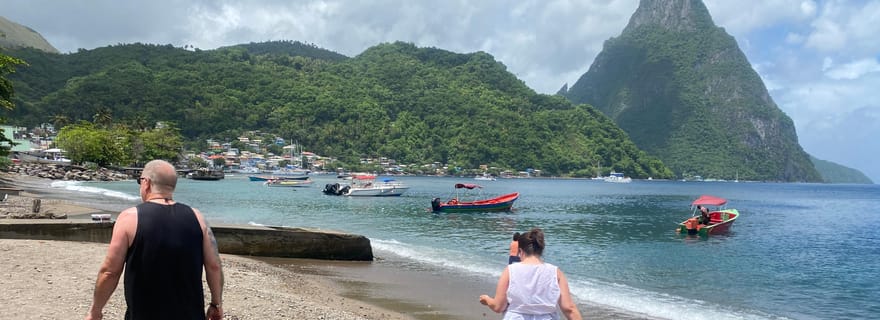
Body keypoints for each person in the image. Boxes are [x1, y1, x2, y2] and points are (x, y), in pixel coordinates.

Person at [85, 160, 224, 320]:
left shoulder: (129, 218)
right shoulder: (197, 217)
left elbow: (110, 271)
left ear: (146, 183)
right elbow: (214, 266)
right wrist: (216, 304)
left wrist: (95, 310)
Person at [480, 228, 582, 320]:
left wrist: (487, 300)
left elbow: (498, 306)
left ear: (520, 251)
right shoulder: (555, 272)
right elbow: (569, 309)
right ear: (541, 250)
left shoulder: (510, 270)